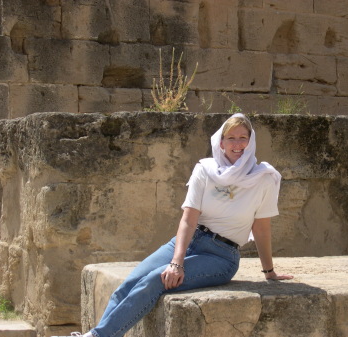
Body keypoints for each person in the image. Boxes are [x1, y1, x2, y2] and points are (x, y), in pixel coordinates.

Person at [57, 113, 293, 337]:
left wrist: (268, 271)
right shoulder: (205, 170)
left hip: (221, 257)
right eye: (231, 138)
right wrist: (176, 262)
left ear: (251, 142)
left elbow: (261, 228)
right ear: (221, 143)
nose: (237, 144)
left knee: (155, 280)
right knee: (129, 283)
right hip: (190, 241)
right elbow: (189, 220)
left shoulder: (264, 178)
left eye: (243, 137)